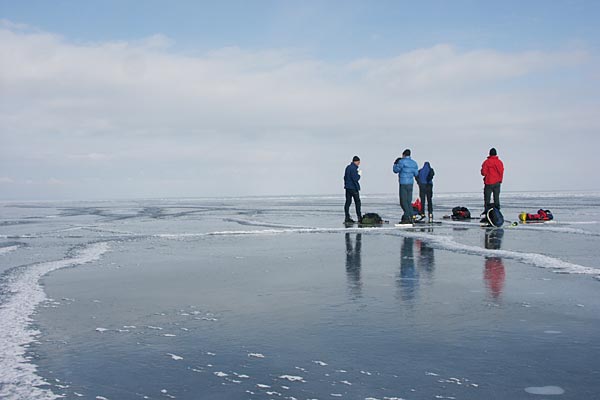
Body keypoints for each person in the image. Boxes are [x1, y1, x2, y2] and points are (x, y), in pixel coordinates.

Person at [393, 149, 419, 223]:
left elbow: (395, 170)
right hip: (410, 183)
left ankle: (407, 216)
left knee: (403, 201)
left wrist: (395, 163)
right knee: (408, 201)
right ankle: (411, 216)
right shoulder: (414, 163)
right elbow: (416, 174)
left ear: (404, 154)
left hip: (403, 183)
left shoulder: (401, 162)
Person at [344, 156, 362, 223]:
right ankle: (359, 217)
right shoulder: (354, 168)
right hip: (353, 188)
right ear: (356, 161)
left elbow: (345, 177)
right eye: (358, 162)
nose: (359, 164)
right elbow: (355, 178)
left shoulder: (348, 167)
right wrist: (359, 175)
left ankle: (347, 217)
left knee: (348, 202)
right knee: (357, 202)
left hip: (347, 188)